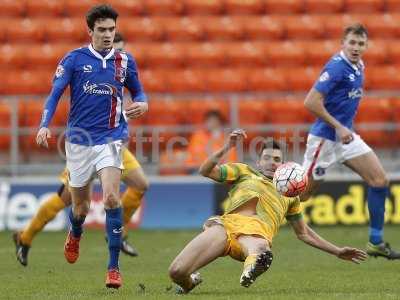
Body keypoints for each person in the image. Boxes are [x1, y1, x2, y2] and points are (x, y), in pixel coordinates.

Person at [168, 129, 367, 294]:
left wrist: (337, 251)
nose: (272, 162)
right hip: (225, 227)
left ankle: (252, 267)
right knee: (176, 271)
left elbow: (304, 234)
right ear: (259, 162)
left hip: (256, 233)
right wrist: (227, 147)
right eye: (267, 158)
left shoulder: (290, 195)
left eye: (277, 159)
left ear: (283, 165)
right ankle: (190, 282)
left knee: (260, 248)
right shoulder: (243, 172)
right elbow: (205, 170)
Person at [35, 4, 148, 288]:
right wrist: (45, 124)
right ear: (91, 31)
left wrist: (143, 103)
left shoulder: (125, 60)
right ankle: (75, 232)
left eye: (111, 29)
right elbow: (54, 94)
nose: (108, 34)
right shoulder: (74, 59)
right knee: (81, 209)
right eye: (102, 30)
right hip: (79, 142)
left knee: (111, 198)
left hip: (111, 138)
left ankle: (113, 268)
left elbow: (138, 90)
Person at [300, 23, 400, 259]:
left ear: (366, 46)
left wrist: (345, 129)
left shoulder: (359, 65)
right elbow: (310, 102)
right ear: (342, 44)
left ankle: (375, 242)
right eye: (352, 43)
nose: (356, 47)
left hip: (346, 138)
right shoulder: (336, 68)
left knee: (379, 180)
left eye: (361, 43)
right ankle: (259, 210)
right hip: (325, 140)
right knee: (301, 194)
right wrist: (339, 126)